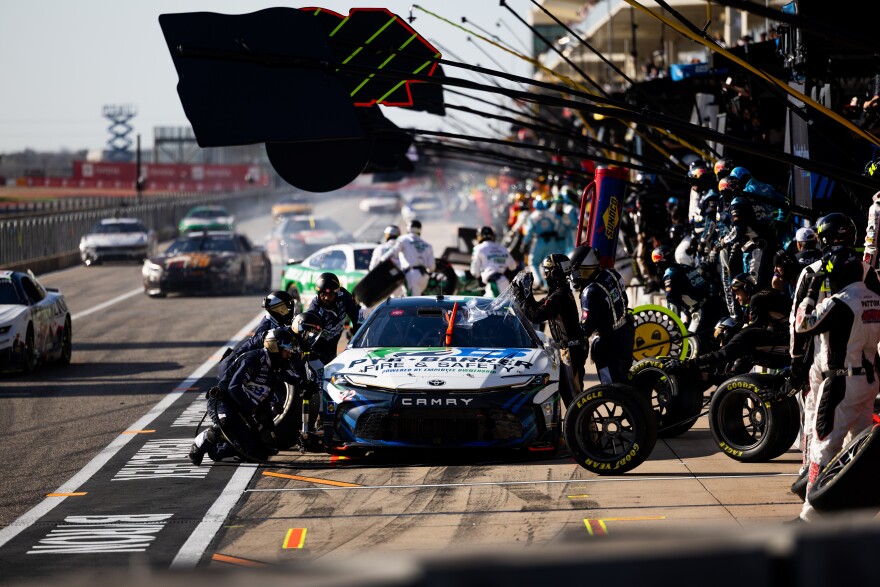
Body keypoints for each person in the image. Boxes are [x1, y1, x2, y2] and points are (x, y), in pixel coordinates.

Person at [793, 246, 880, 522]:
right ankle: (858, 510)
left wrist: (811, 289)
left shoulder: (839, 302)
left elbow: (802, 325)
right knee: (861, 450)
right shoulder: (875, 298)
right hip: (869, 381)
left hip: (840, 383)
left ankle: (809, 516)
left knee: (824, 447)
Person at [189, 328, 304, 465]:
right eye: (287, 351)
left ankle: (219, 450)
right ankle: (201, 442)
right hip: (223, 401)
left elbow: (291, 378)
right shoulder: (254, 359)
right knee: (226, 423)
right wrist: (255, 409)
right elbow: (234, 387)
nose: (289, 355)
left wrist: (307, 384)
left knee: (257, 453)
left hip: (241, 408)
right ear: (275, 347)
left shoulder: (275, 365)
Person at [510, 254, 584, 407]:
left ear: (556, 272)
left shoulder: (559, 295)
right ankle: (579, 428)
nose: (545, 274)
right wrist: (526, 293)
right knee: (569, 394)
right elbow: (537, 308)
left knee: (574, 397)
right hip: (569, 348)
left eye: (547, 271)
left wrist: (520, 296)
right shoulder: (559, 292)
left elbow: (535, 316)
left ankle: (582, 429)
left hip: (570, 350)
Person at [569, 245, 635, 385]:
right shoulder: (612, 273)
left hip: (608, 344)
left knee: (610, 387)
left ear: (585, 269)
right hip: (626, 332)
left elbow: (586, 328)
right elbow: (625, 299)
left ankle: (627, 404)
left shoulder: (590, 292)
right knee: (626, 380)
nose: (574, 276)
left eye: (577, 272)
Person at [306, 272, 361, 365]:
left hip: (333, 347)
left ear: (336, 293)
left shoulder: (343, 296)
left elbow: (357, 312)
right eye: (323, 294)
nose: (327, 298)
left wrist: (358, 332)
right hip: (317, 353)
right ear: (318, 293)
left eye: (331, 294)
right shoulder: (314, 311)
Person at [380, 219, 435, 296]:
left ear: (408, 229)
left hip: (411, 275)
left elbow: (393, 252)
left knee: (412, 304)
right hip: (424, 277)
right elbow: (432, 267)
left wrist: (382, 259)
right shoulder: (428, 245)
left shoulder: (404, 239)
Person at [520, 198, 560, 291]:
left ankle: (540, 281)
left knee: (533, 262)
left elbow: (529, 232)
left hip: (539, 241)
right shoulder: (551, 214)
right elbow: (557, 226)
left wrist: (524, 243)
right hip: (552, 241)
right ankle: (551, 284)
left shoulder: (533, 216)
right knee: (550, 264)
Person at [469, 226, 519, 297]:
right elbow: (513, 266)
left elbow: (474, 271)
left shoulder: (478, 248)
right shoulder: (502, 248)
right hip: (505, 281)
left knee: (489, 306)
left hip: (493, 284)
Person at [369, 225, 406, 298]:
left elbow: (372, 267)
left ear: (387, 235)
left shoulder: (380, 248)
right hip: (402, 281)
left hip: (385, 283)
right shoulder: (404, 247)